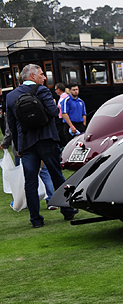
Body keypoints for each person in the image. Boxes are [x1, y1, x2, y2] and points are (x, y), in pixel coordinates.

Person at [4, 64, 77, 228]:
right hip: (46, 139)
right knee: (56, 175)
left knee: (30, 182)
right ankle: (67, 210)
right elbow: (53, 113)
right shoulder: (42, 90)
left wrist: (18, 148)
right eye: (42, 74)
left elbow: (12, 124)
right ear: (32, 76)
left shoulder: (11, 96)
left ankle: (35, 219)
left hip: (27, 144)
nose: (44, 77)